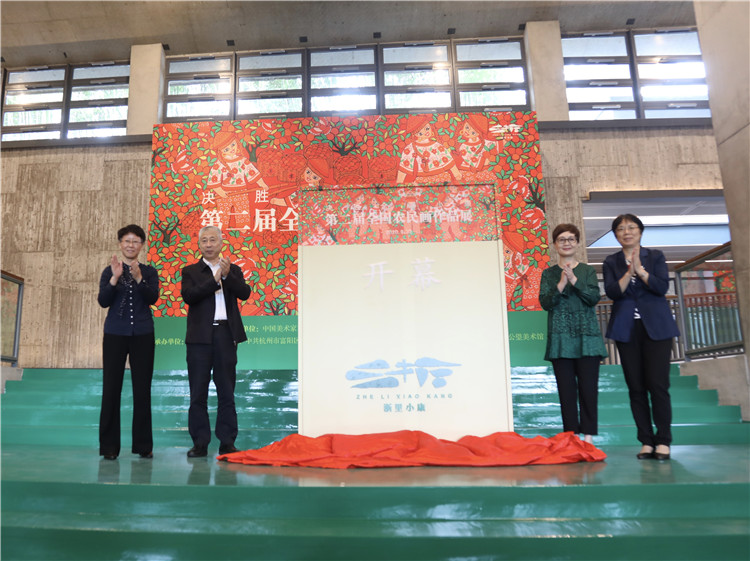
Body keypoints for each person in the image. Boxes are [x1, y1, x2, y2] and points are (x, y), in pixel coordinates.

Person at [603, 214, 679, 461]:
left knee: (658, 385)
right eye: (620, 229)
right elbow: (613, 292)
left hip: (656, 328)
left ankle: (663, 441)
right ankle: (646, 441)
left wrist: (641, 271)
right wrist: (628, 273)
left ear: (640, 231)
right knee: (635, 387)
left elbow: (661, 287)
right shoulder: (611, 261)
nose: (626, 232)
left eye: (631, 227)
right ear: (615, 234)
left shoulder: (655, 256)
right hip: (627, 329)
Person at [181, 226, 252, 457]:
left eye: (213, 240)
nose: (209, 244)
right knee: (197, 393)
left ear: (221, 243)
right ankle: (200, 443)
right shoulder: (190, 271)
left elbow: (244, 293)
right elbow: (189, 296)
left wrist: (227, 275)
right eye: (204, 240)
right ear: (199, 245)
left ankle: (227, 442)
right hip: (199, 338)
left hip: (225, 335)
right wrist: (214, 280)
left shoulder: (233, 269)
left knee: (226, 391)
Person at [539, 224, 607, 444]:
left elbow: (593, 299)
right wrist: (561, 283)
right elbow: (545, 303)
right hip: (560, 340)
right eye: (562, 239)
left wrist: (575, 280)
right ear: (555, 244)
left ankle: (588, 437)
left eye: (571, 239)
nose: (566, 243)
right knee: (566, 392)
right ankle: (571, 436)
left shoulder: (587, 271)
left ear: (577, 243)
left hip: (587, 338)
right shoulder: (548, 274)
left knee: (588, 390)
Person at [97, 224, 159, 460]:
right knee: (111, 388)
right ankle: (109, 447)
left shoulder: (149, 272)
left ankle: (143, 446)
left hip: (143, 334)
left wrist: (139, 278)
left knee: (142, 389)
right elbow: (103, 301)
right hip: (115, 334)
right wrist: (114, 278)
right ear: (120, 244)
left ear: (142, 245)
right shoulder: (109, 271)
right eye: (127, 241)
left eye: (135, 241)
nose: (131, 245)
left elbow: (152, 298)